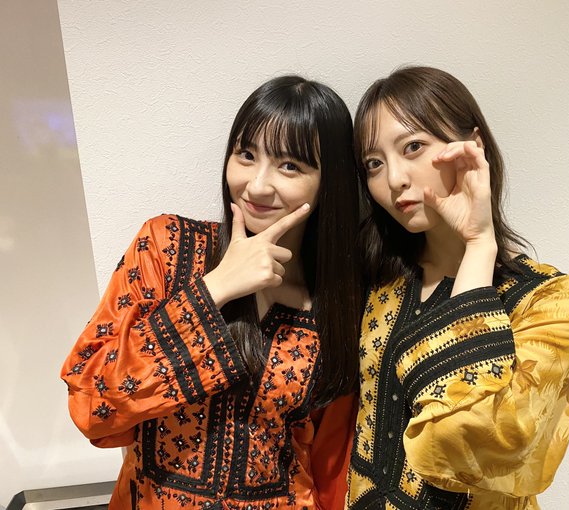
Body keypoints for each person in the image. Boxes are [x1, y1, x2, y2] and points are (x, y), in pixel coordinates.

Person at [61, 75, 363, 510]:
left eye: (290, 166)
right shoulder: (167, 247)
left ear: (328, 181)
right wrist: (215, 288)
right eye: (246, 155)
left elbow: (329, 466)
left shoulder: (335, 304)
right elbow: (93, 405)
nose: (257, 185)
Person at [346, 66, 569, 510]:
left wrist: (479, 245)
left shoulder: (553, 303)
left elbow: (473, 442)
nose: (395, 178)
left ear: (472, 147)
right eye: (374, 164)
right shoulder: (378, 283)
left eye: (413, 147)